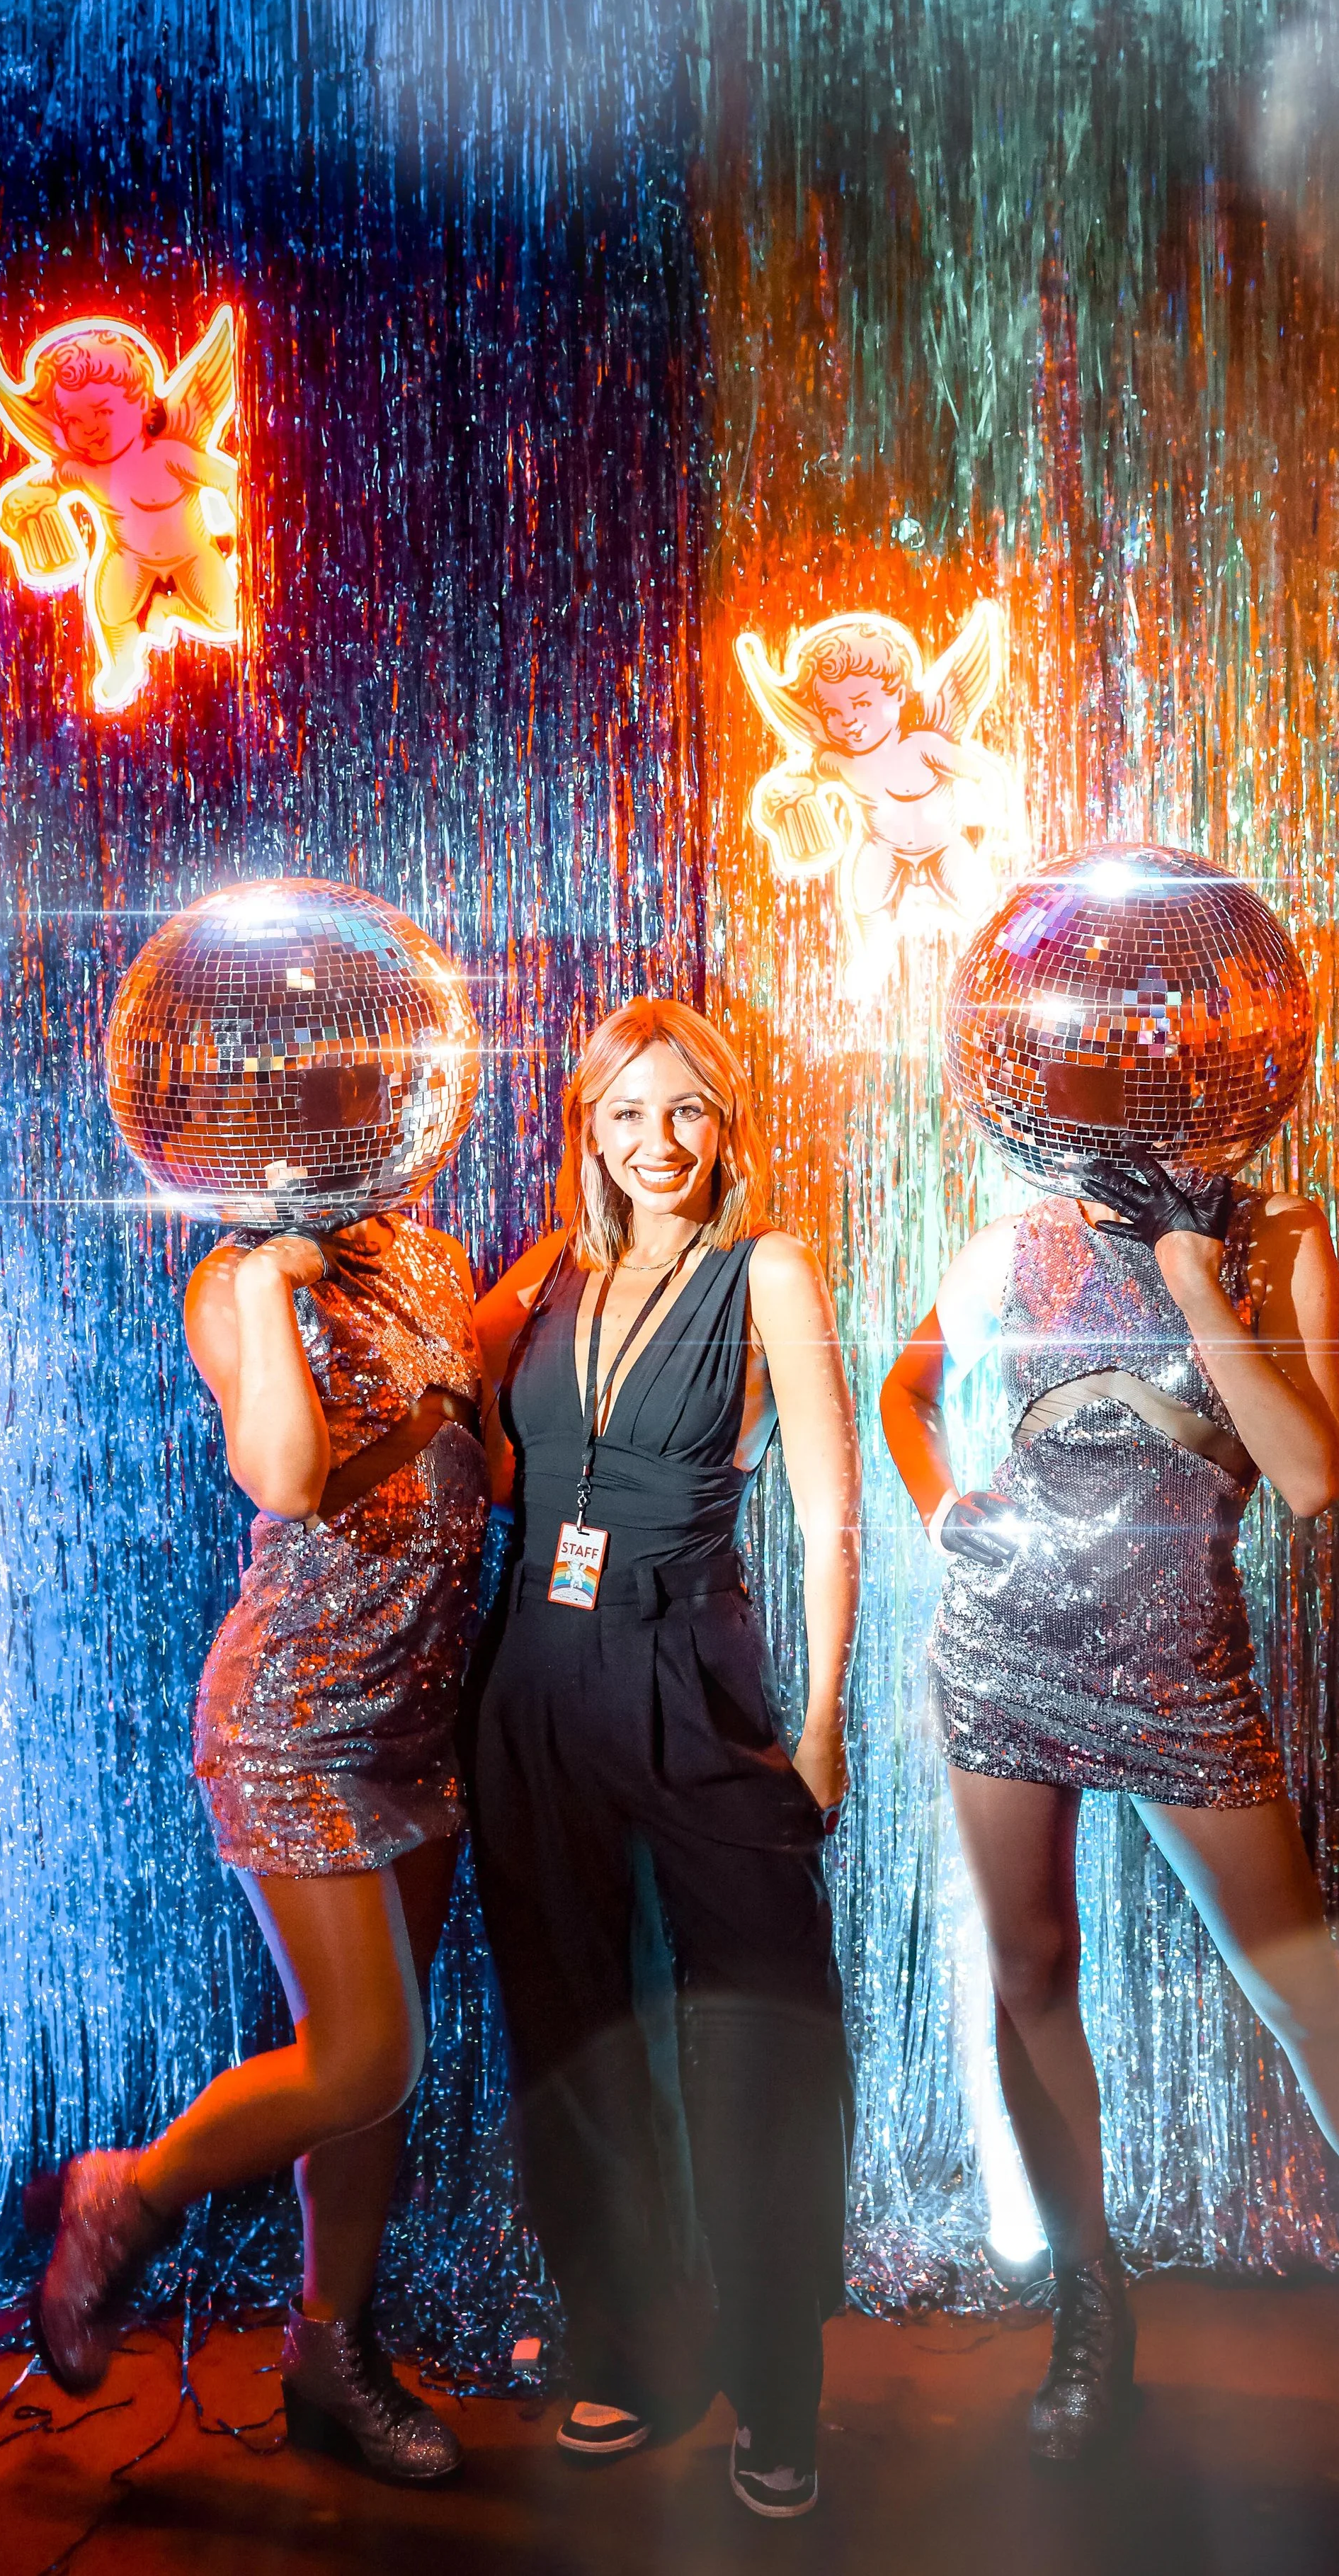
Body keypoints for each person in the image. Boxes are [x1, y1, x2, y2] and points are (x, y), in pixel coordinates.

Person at [880, 1143, 1339, 2474]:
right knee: (1031, 1969)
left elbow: (1312, 1477)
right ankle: (1090, 2306)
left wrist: (1187, 1275)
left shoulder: (1282, 1237)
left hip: (1178, 1670)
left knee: (1304, 1995)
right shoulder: (1029, 1231)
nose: (1163, 1115)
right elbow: (904, 1388)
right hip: (1004, 1644)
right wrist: (943, 1514)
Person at [468, 997, 858, 2521]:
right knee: (573, 2033)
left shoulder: (764, 1267)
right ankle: (630, 2344)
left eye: (686, 1110)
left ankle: (775, 2385)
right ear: (589, 1131)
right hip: (532, 1682)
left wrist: (823, 1717)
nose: (658, 1144)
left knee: (756, 2037)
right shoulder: (556, 1272)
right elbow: (473, 1387)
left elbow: (827, 1507)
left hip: (693, 1674)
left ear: (726, 1123)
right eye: (626, 1114)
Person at [27, 1210, 490, 2483]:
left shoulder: (432, 1258)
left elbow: (485, 1452)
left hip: (417, 1721)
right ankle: (128, 2192)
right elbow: (285, 1475)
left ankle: (329, 2357)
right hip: (296, 1719)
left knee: (372, 2080)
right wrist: (283, 1286)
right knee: (368, 2053)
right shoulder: (235, 1280)